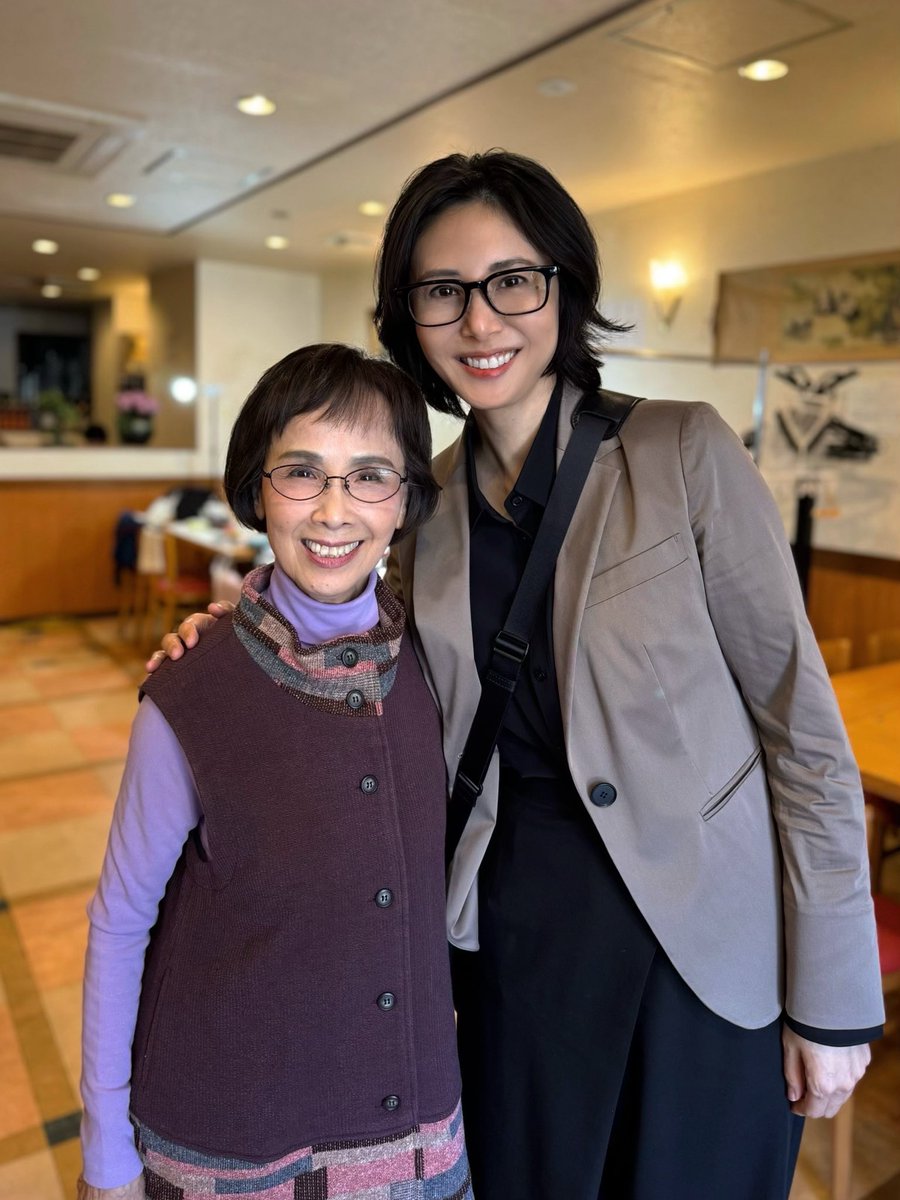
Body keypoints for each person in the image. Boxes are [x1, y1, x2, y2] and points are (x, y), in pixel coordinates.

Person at [152, 151, 883, 1200]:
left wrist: (834, 998)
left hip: (702, 956)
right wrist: (229, 637)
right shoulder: (425, 507)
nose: (480, 322)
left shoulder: (681, 452)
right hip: (516, 954)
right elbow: (355, 644)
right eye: (442, 292)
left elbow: (800, 732)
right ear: (409, 316)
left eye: (511, 282)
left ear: (563, 286)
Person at [79, 344, 472, 1200]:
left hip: (414, 1135)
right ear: (257, 489)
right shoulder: (191, 691)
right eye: (301, 472)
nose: (334, 509)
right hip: (231, 1143)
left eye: (369, 476)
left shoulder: (436, 665)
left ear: (405, 499)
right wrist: (105, 1152)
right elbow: (119, 921)